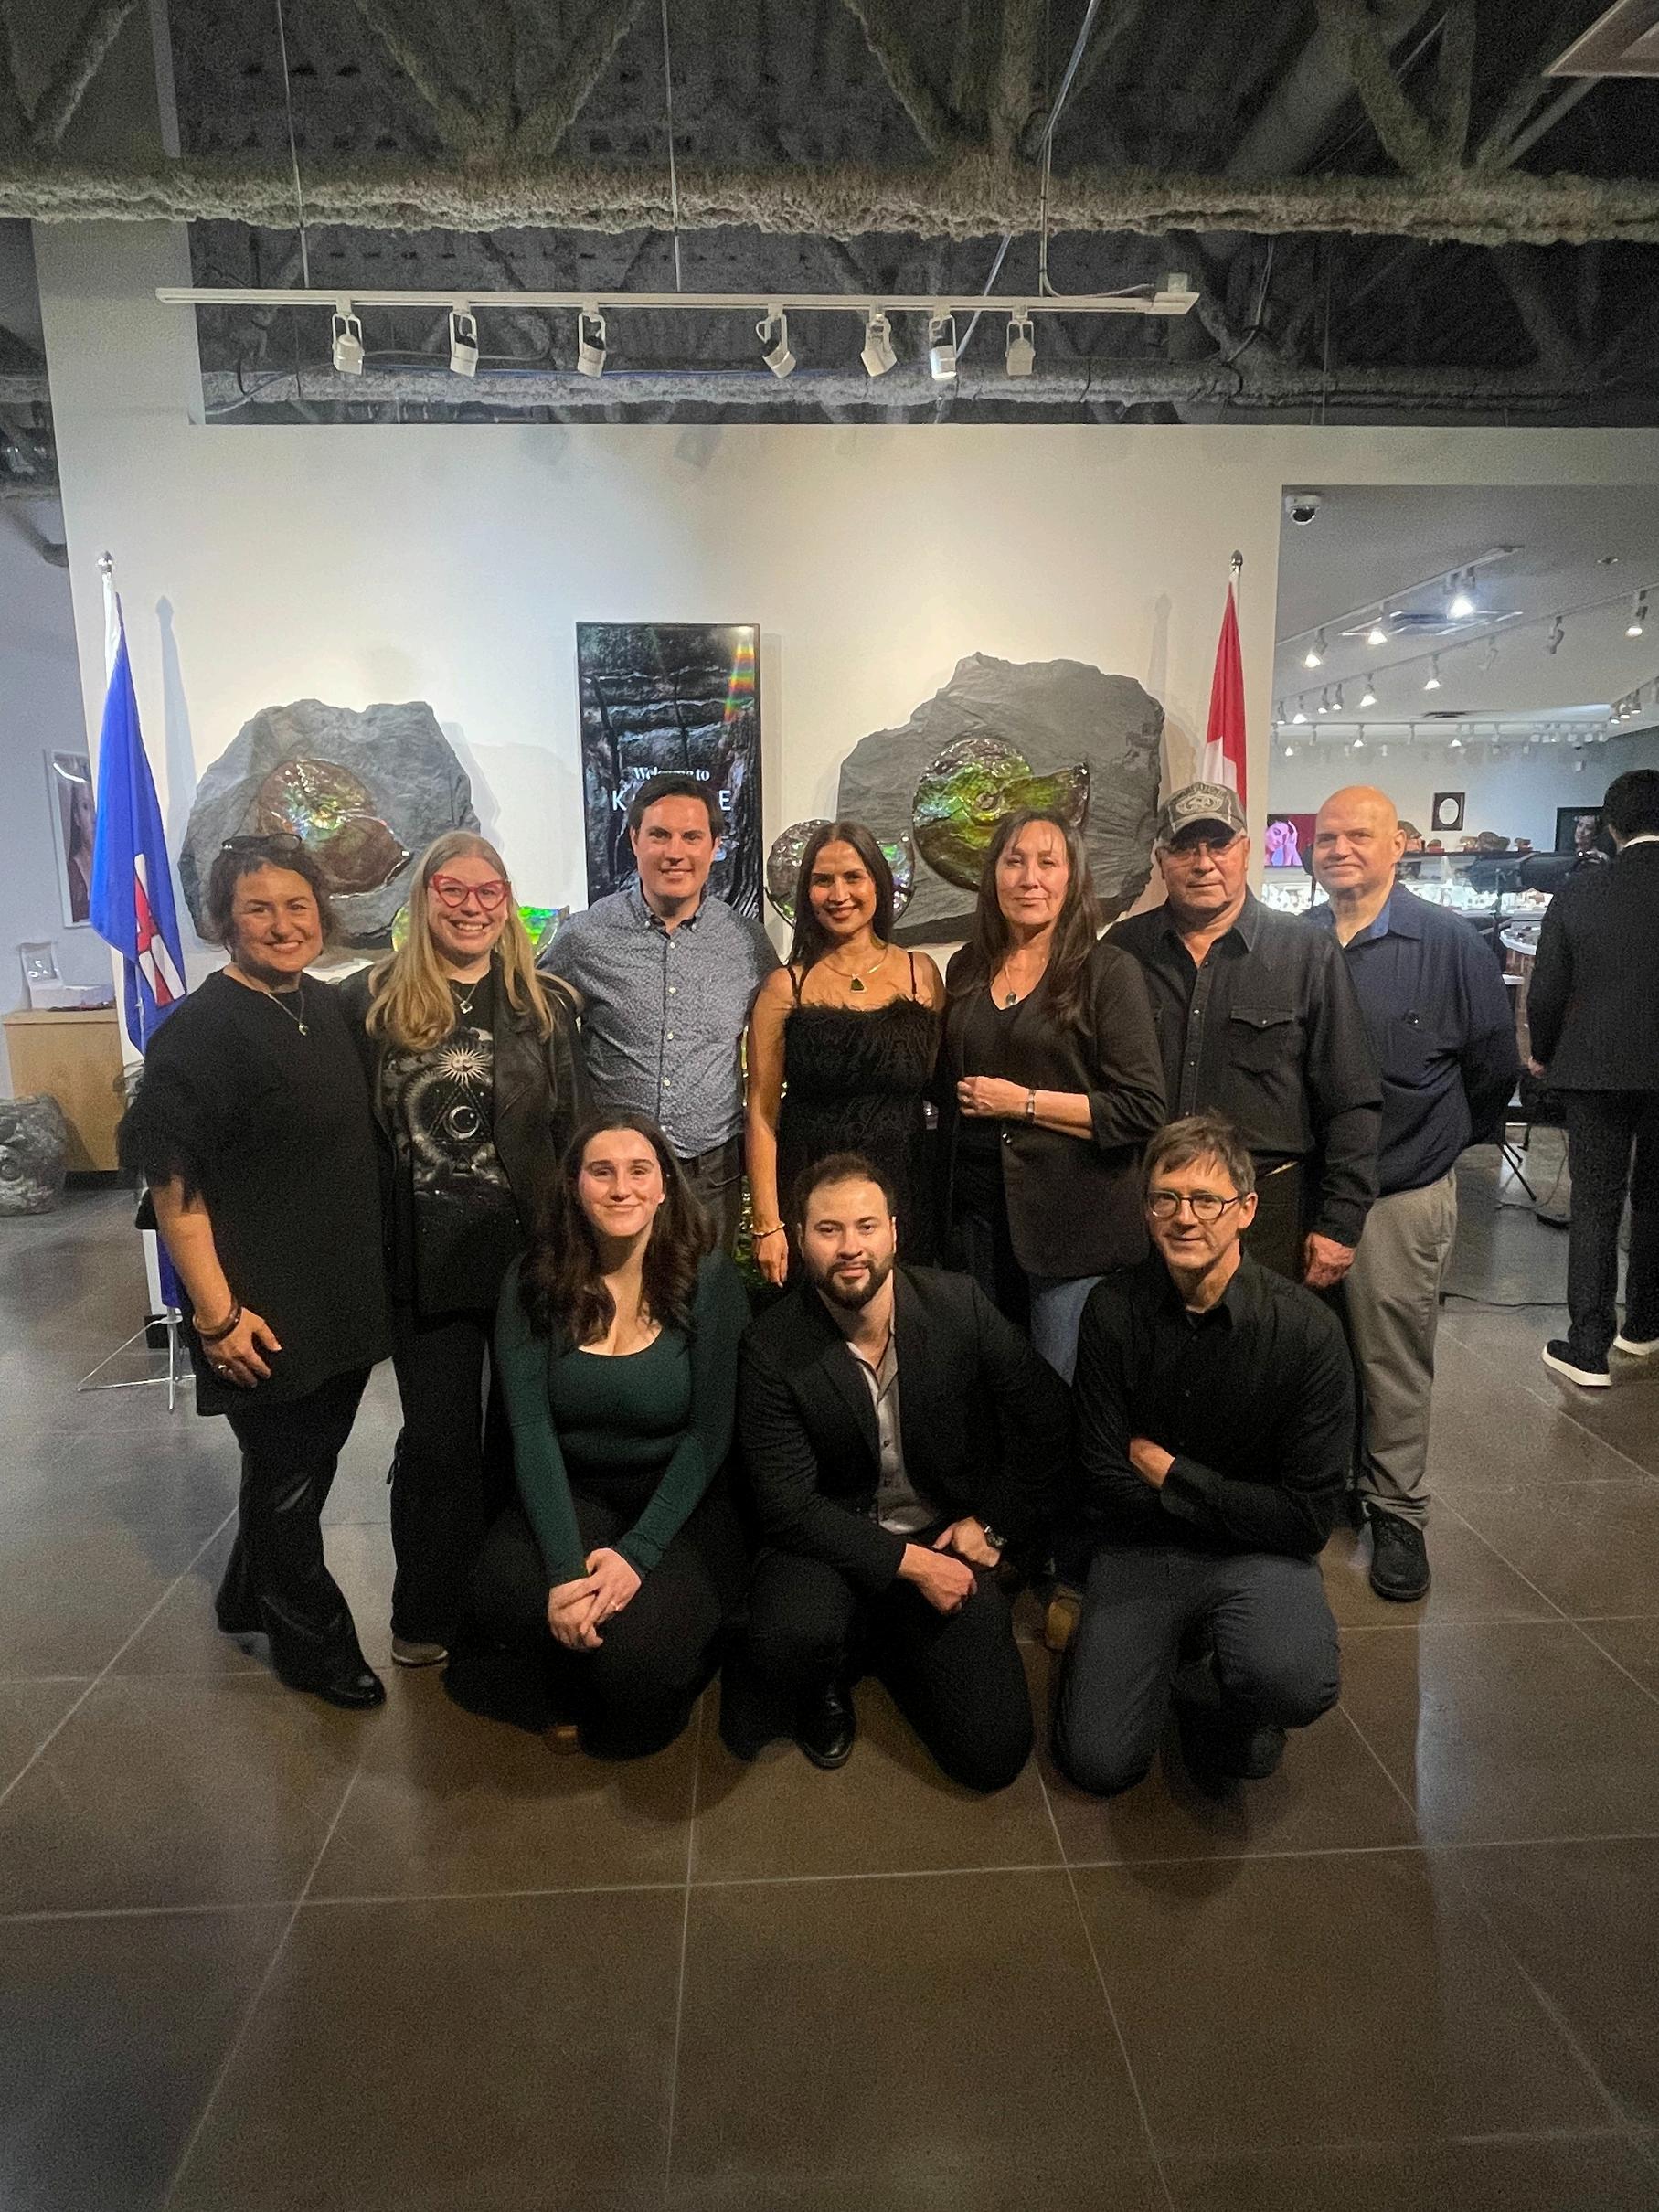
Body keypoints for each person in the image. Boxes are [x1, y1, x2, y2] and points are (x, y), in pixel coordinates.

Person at [117, 835, 390, 1708]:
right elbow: (175, 1192)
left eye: (297, 905)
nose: (282, 924)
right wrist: (217, 1318)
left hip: (339, 1293)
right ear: (224, 922)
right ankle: (314, 1646)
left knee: (299, 1464)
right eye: (258, 909)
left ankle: (246, 1592)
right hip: (261, 1307)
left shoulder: (324, 1006)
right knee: (289, 1478)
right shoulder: (199, 1032)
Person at [730, 1152, 1071, 1789]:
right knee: (785, 1640)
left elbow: (1049, 1418)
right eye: (828, 1229)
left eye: (866, 1226)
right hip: (830, 1542)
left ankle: (885, 1640)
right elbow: (787, 1506)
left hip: (943, 1533)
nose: (849, 1247)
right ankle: (831, 1672)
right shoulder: (771, 1344)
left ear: (893, 1231)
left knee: (992, 1755)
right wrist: (911, 1566)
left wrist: (993, 1524)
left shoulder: (958, 1304)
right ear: (799, 1239)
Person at [340, 833, 589, 1668]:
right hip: (422, 1258)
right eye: (453, 889)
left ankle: (506, 1605)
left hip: (524, 1255)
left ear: (507, 903)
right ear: (425, 896)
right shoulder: (371, 1003)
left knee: (519, 1439)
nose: (472, 906)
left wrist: (580, 1250)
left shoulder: (544, 1005)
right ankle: (427, 1609)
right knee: (438, 1445)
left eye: (489, 892)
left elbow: (573, 1132)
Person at [1053, 1115, 1350, 1795]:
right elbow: (1101, 1475)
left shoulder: (1307, 1333)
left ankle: (1222, 1687)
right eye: (1166, 1198)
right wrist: (1240, 1502)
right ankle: (1179, 1651)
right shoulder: (1111, 1309)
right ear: (1146, 1209)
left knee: (1294, 1680)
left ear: (1246, 1210)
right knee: (1098, 1763)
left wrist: (1174, 1476)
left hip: (1257, 1557)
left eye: (1206, 1200)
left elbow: (1306, 1520)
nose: (1184, 1218)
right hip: (1143, 1548)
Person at [470, 1114, 749, 1757]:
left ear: (663, 1188)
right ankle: (575, 1661)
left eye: (638, 1171)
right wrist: (566, 1573)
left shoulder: (707, 1278)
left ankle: (633, 1664)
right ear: (574, 1187)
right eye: (602, 1172)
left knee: (638, 1669)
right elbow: (531, 1430)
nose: (621, 1188)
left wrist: (636, 1556)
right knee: (504, 1596)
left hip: (678, 1498)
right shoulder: (532, 1280)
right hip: (576, 1488)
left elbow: (709, 1435)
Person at [1308, 787, 1519, 1601]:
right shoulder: (1296, 942)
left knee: (1391, 1359)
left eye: (1358, 835)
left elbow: (1492, 1067)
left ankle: (1395, 1511)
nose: (1339, 849)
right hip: (1310, 1190)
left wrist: (1438, 1146)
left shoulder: (1449, 943)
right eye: (1327, 838)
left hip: (1399, 1192)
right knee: (1317, 1353)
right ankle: (1327, 1486)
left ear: (1397, 843)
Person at [1112, 782, 1381, 1289]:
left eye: (1219, 845)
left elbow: (1351, 1100)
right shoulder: (1122, 951)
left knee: (1261, 1339)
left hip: (1267, 1214)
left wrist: (1340, 1222)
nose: (1203, 863)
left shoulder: (1308, 952)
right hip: (1146, 1210)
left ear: (1245, 850)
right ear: (1161, 860)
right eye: (1184, 848)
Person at [935, 808, 1166, 1381]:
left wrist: (1023, 1103)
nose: (1029, 878)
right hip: (974, 1226)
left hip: (1072, 1233)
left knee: (1055, 1395)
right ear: (993, 876)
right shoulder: (966, 966)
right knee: (985, 1393)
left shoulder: (1108, 972)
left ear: (1072, 877)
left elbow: (1141, 1108)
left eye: (1047, 862)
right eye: (1013, 862)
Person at [540, 774, 778, 1251]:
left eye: (692, 837)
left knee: (706, 1293)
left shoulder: (747, 943)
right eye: (659, 835)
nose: (675, 852)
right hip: (614, 1178)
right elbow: (532, 1025)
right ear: (634, 839)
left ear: (715, 846)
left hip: (710, 1173)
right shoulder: (584, 937)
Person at [745, 821, 943, 1284]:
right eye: (822, 880)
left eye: (853, 877)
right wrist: (768, 1223)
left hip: (905, 1190)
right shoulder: (785, 987)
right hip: (812, 1194)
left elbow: (939, 1084)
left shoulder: (921, 974)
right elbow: (761, 1112)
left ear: (878, 883)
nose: (838, 895)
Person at [1527, 767, 1659, 1387]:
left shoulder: (1580, 891)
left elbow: (1547, 989)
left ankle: (1587, 1347)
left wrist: (1543, 1053)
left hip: (1595, 1067)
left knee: (1595, 1206)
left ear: (1611, 824)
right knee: (1655, 1198)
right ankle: (1645, 1325)